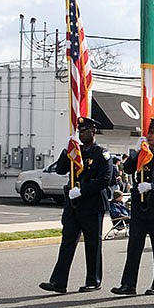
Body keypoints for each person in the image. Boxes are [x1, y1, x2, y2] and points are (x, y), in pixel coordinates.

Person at [39, 117, 111, 294]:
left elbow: (105, 179)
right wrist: (66, 151)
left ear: (93, 131)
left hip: (92, 204)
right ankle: (58, 282)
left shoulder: (102, 153)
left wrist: (83, 190)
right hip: (73, 205)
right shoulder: (75, 152)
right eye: (79, 131)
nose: (81, 133)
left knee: (93, 245)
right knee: (67, 243)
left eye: (85, 130)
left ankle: (93, 281)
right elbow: (61, 170)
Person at [111, 118, 154, 296]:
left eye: (151, 133)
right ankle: (128, 284)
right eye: (147, 133)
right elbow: (127, 169)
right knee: (134, 247)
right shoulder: (142, 152)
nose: (148, 136)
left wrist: (153, 186)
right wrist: (135, 152)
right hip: (139, 208)